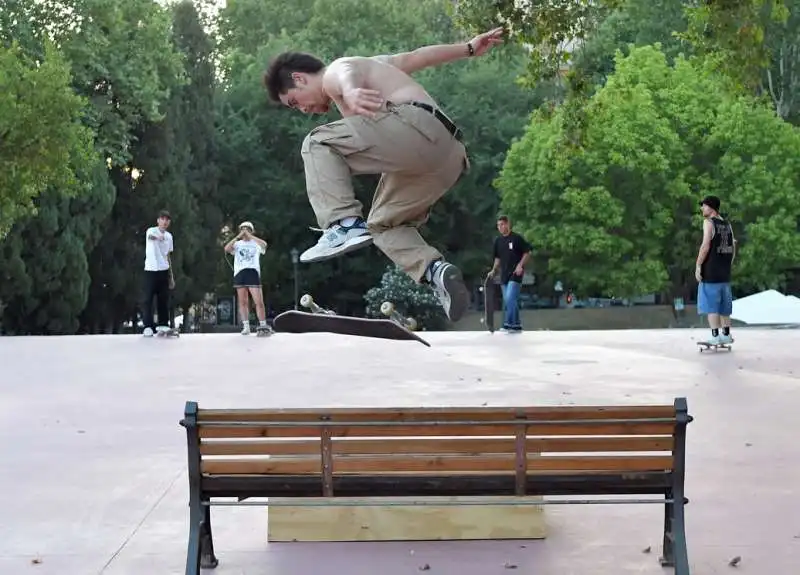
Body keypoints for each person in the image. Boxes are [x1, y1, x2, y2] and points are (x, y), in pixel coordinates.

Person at [262, 27, 505, 323]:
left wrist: (350, 90)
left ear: (299, 79)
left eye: (295, 102)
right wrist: (467, 48)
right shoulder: (376, 66)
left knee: (316, 143)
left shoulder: (335, 72)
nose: (302, 110)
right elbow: (417, 57)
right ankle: (436, 272)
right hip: (447, 157)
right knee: (382, 226)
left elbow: (344, 71)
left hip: (416, 129)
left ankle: (343, 224)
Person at [695, 195, 737, 345]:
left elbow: (706, 245)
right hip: (725, 273)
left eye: (704, 205)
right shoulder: (727, 224)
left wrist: (698, 265)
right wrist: (728, 263)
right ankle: (726, 334)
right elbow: (733, 245)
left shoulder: (708, 223)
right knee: (724, 306)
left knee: (710, 305)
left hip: (711, 272)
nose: (702, 208)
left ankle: (715, 336)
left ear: (711, 207)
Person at [224, 221, 271, 335]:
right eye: (242, 229)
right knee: (243, 301)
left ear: (251, 230)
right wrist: (237, 237)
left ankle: (263, 325)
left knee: (258, 301)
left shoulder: (255, 243)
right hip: (240, 272)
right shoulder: (237, 244)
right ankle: (246, 326)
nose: (244, 231)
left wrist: (250, 236)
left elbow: (264, 245)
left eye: (247, 229)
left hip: (252, 271)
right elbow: (226, 249)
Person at [487, 215, 532, 333]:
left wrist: (520, 265)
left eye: (502, 224)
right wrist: (493, 270)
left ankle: (508, 324)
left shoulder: (516, 238)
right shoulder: (498, 241)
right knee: (509, 300)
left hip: (516, 273)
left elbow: (527, 252)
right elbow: (497, 258)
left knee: (510, 298)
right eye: (498, 225)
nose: (500, 227)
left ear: (508, 224)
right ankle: (516, 325)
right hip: (504, 274)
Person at [142, 210, 175, 336]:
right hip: (151, 270)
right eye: (162, 219)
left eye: (167, 219)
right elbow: (150, 237)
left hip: (163, 270)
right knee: (148, 299)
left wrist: (171, 276)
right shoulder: (151, 231)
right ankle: (148, 326)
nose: (165, 222)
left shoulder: (169, 237)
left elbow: (168, 255)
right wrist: (158, 237)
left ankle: (163, 325)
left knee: (163, 299)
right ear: (158, 220)